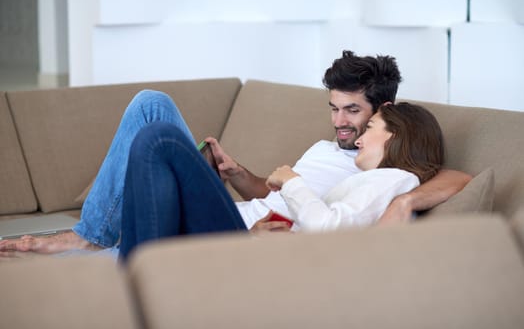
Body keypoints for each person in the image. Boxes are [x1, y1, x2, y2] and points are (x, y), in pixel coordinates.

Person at [0, 50, 471, 255]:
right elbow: (272, 191)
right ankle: (100, 235)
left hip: (239, 232)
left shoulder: (384, 166)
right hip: (238, 208)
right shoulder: (329, 149)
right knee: (152, 105)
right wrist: (232, 171)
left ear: (383, 112)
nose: (340, 123)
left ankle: (93, 237)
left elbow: (449, 175)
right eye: (333, 108)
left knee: (154, 125)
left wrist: (408, 200)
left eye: (352, 111)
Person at [119, 102, 444, 261]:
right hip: (248, 237)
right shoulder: (377, 179)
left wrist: (291, 180)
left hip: (246, 252)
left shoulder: (395, 180)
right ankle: (139, 282)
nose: (358, 138)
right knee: (155, 141)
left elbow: (328, 229)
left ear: (396, 136)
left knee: (159, 137)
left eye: (370, 127)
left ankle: (141, 279)